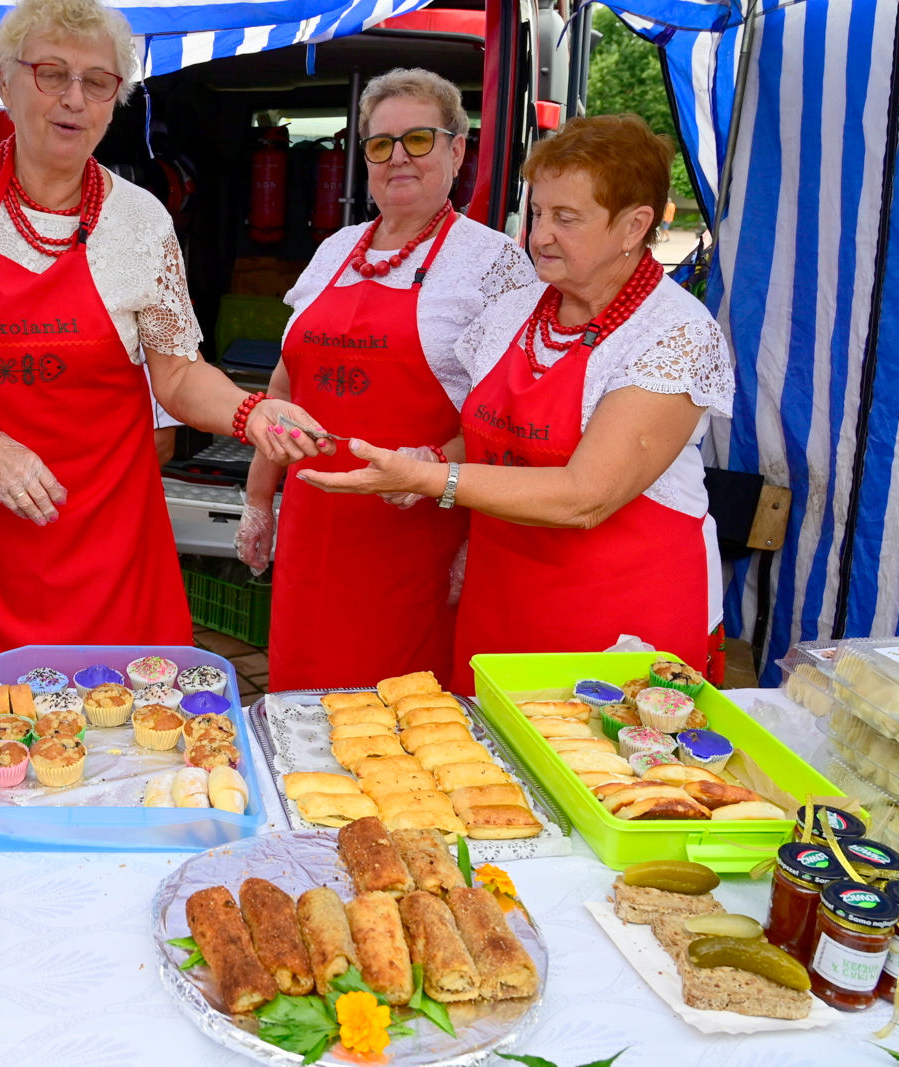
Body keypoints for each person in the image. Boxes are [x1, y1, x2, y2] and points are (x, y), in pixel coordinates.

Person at [0, 0, 329, 710]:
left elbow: (174, 370)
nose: (73, 99)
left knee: (121, 742)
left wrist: (249, 412)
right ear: (5, 82)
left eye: (98, 81)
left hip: (109, 545)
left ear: (117, 100)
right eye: (51, 74)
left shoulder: (141, 220)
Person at [301, 115, 732, 693]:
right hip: (501, 600)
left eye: (566, 219)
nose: (539, 235)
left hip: (619, 621)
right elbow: (486, 440)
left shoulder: (673, 333)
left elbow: (586, 497)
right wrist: (424, 459)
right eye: (538, 213)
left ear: (634, 226)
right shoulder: (515, 312)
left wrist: (436, 481)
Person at [234, 69, 537, 691]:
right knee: (301, 697)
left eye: (419, 139)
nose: (398, 157)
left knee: (396, 720)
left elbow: (510, 416)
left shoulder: (495, 262)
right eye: (380, 143)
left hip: (415, 529)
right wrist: (260, 500)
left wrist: (462, 514)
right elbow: (285, 385)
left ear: (458, 151)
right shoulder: (335, 248)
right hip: (314, 527)